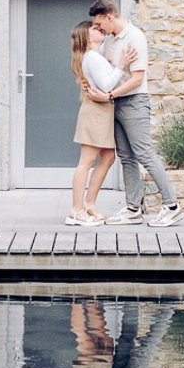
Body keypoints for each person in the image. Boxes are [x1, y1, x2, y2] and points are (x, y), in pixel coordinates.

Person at [86, 0, 183, 227]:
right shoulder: (110, 40)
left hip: (134, 102)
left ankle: (172, 206)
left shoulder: (135, 37)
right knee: (126, 157)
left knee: (144, 153)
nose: (98, 28)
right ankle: (133, 209)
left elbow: (137, 79)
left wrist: (110, 95)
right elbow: (108, 71)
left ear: (109, 17)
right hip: (115, 103)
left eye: (100, 23)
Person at [68, 19, 122, 226]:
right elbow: (107, 85)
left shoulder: (96, 55)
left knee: (108, 157)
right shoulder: (92, 57)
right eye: (94, 28)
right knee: (86, 161)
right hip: (95, 113)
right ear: (87, 36)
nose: (100, 29)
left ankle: (89, 204)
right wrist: (122, 66)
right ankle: (76, 210)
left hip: (103, 112)